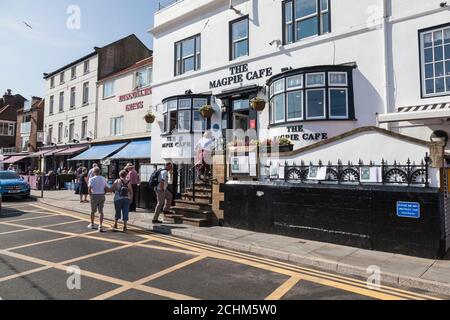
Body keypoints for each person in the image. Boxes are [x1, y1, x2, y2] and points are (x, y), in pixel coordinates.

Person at [88, 167, 109, 232]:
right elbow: (106, 188)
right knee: (101, 211)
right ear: (99, 172)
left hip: (94, 195)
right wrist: (104, 193)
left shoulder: (91, 179)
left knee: (92, 211)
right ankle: (100, 225)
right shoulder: (103, 178)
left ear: (94, 172)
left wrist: (90, 195)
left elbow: (89, 188)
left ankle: (92, 224)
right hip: (101, 195)